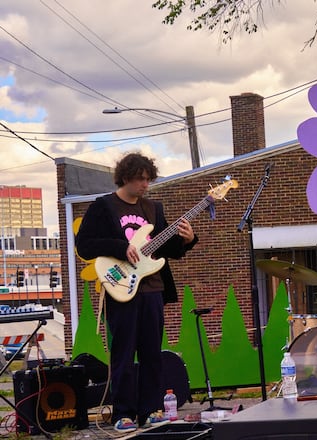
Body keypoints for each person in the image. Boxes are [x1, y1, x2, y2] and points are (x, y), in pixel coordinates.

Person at [76, 152, 198, 433]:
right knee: (123, 352)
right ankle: (124, 414)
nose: (145, 185)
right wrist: (120, 248)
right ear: (125, 177)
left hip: (153, 289)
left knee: (152, 353)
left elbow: (167, 248)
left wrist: (188, 241)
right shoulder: (103, 207)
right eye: (140, 179)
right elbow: (85, 246)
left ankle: (151, 410)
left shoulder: (153, 208)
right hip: (121, 290)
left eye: (148, 179)